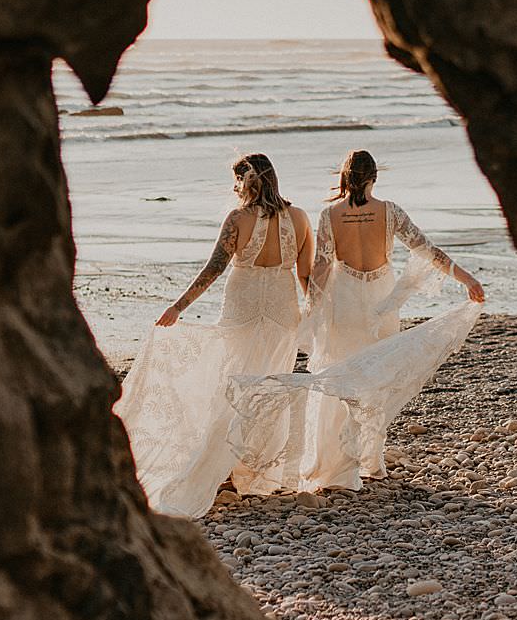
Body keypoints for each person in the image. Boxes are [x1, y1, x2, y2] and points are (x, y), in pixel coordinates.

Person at [231, 149, 484, 492]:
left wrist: (313, 310)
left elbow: (320, 267)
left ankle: (335, 468)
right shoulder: (389, 211)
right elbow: (427, 249)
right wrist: (467, 279)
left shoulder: (330, 214)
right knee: (374, 380)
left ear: (343, 178)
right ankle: (370, 462)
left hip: (344, 304)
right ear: (374, 177)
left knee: (337, 380)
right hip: (380, 303)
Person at [118, 153, 313, 516]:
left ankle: (224, 467)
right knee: (269, 385)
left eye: (237, 180)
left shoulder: (238, 218)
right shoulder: (299, 217)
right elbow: (307, 277)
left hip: (243, 309)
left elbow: (215, 268)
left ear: (246, 181)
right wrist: (318, 317)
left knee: (232, 385)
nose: (234, 188)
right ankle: (254, 470)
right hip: (284, 312)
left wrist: (179, 307)